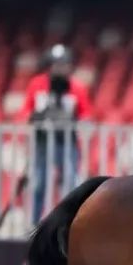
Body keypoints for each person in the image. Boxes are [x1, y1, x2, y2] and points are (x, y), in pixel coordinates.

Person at [17, 43, 92, 226]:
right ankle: (34, 223)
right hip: (42, 143)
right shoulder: (37, 84)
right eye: (56, 64)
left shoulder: (77, 88)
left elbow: (86, 115)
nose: (60, 68)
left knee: (70, 183)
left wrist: (73, 122)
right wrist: (36, 117)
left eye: (64, 64)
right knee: (39, 183)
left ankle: (70, 222)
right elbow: (25, 112)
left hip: (67, 143)